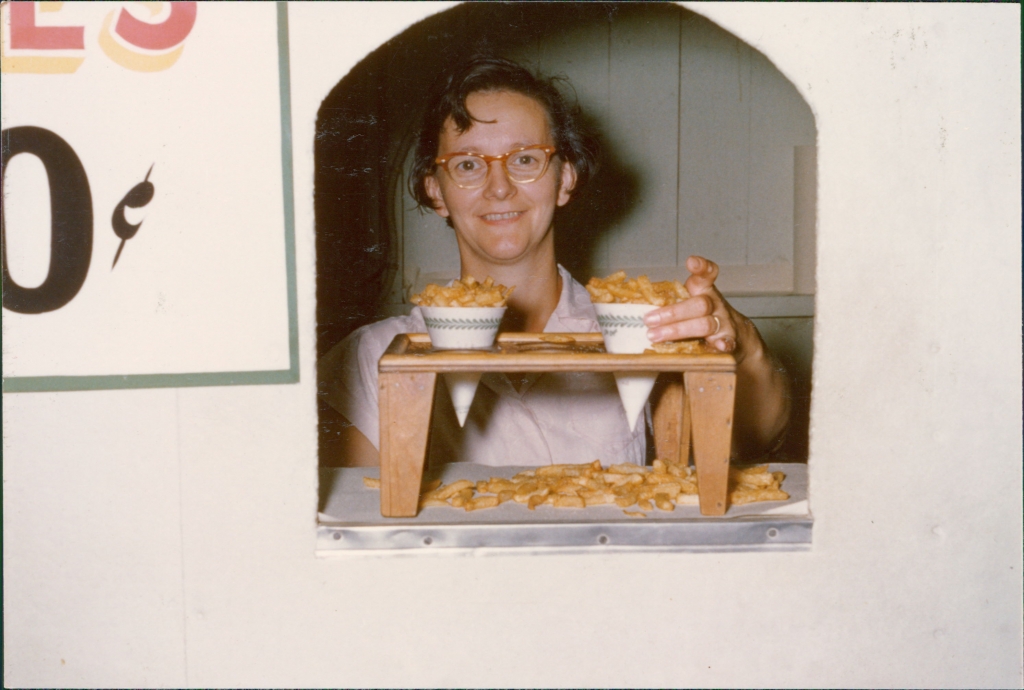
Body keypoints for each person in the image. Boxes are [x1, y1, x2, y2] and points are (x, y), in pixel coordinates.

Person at [318, 57, 790, 468]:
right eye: (468, 164)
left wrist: (742, 345)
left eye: (525, 160)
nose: (499, 187)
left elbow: (754, 439)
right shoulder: (371, 356)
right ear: (435, 191)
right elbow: (361, 515)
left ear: (565, 179)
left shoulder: (642, 329)